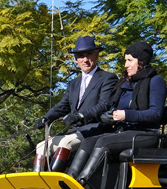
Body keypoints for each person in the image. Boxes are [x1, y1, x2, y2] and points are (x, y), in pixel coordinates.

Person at [64, 41, 167, 189]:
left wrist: (126, 115)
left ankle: (81, 185)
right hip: (123, 131)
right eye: (125, 60)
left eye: (130, 60)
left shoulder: (156, 81)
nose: (125, 65)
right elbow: (112, 106)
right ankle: (68, 182)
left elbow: (155, 114)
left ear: (141, 61)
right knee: (88, 141)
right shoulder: (125, 83)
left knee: (104, 142)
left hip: (145, 134)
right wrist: (108, 116)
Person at [33, 36, 117, 172]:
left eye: (89, 54)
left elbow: (104, 105)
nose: (85, 59)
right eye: (80, 56)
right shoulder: (74, 83)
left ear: (96, 55)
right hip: (75, 132)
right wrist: (46, 118)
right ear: (76, 59)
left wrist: (80, 115)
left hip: (95, 129)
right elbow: (62, 106)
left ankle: (55, 182)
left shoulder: (108, 78)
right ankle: (38, 184)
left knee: (65, 143)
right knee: (42, 146)